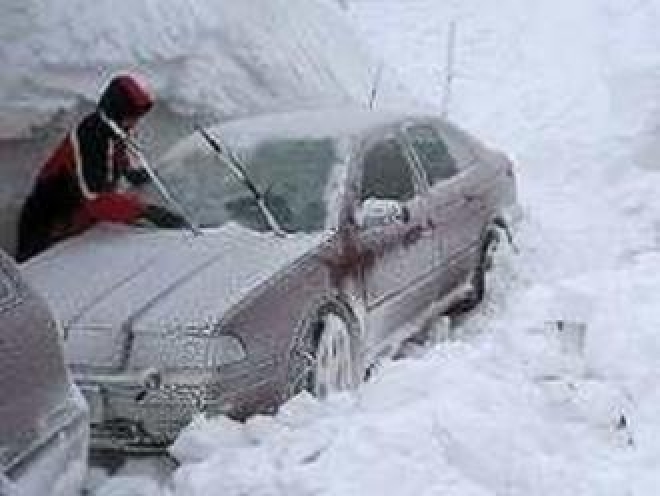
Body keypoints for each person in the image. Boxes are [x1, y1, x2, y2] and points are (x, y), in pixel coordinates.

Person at [16, 74, 186, 262]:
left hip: (79, 219)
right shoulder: (90, 138)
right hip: (51, 227)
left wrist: (129, 172)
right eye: (132, 117)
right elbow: (96, 200)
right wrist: (145, 212)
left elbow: (115, 153)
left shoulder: (113, 127)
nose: (136, 122)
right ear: (117, 111)